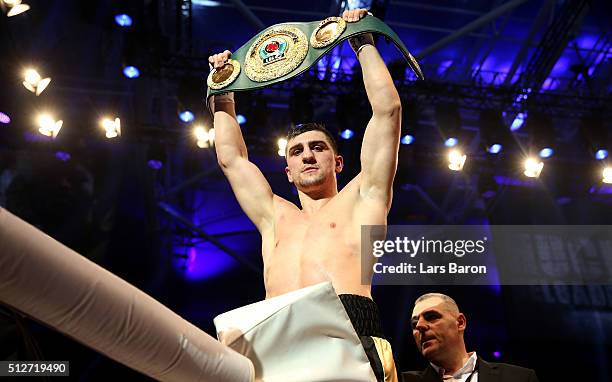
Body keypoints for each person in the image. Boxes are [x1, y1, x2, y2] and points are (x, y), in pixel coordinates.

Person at [209, 8, 402, 382]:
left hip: (349, 330)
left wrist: (360, 38)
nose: (308, 155)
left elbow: (388, 111)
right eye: (297, 152)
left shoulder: (364, 198)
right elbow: (231, 159)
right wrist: (222, 91)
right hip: (274, 334)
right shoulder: (273, 215)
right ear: (288, 172)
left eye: (318, 148)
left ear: (339, 162)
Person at [402, 293, 539, 382]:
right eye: (414, 324)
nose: (419, 326)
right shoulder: (400, 380)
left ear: (460, 322)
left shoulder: (519, 378)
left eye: (431, 317)